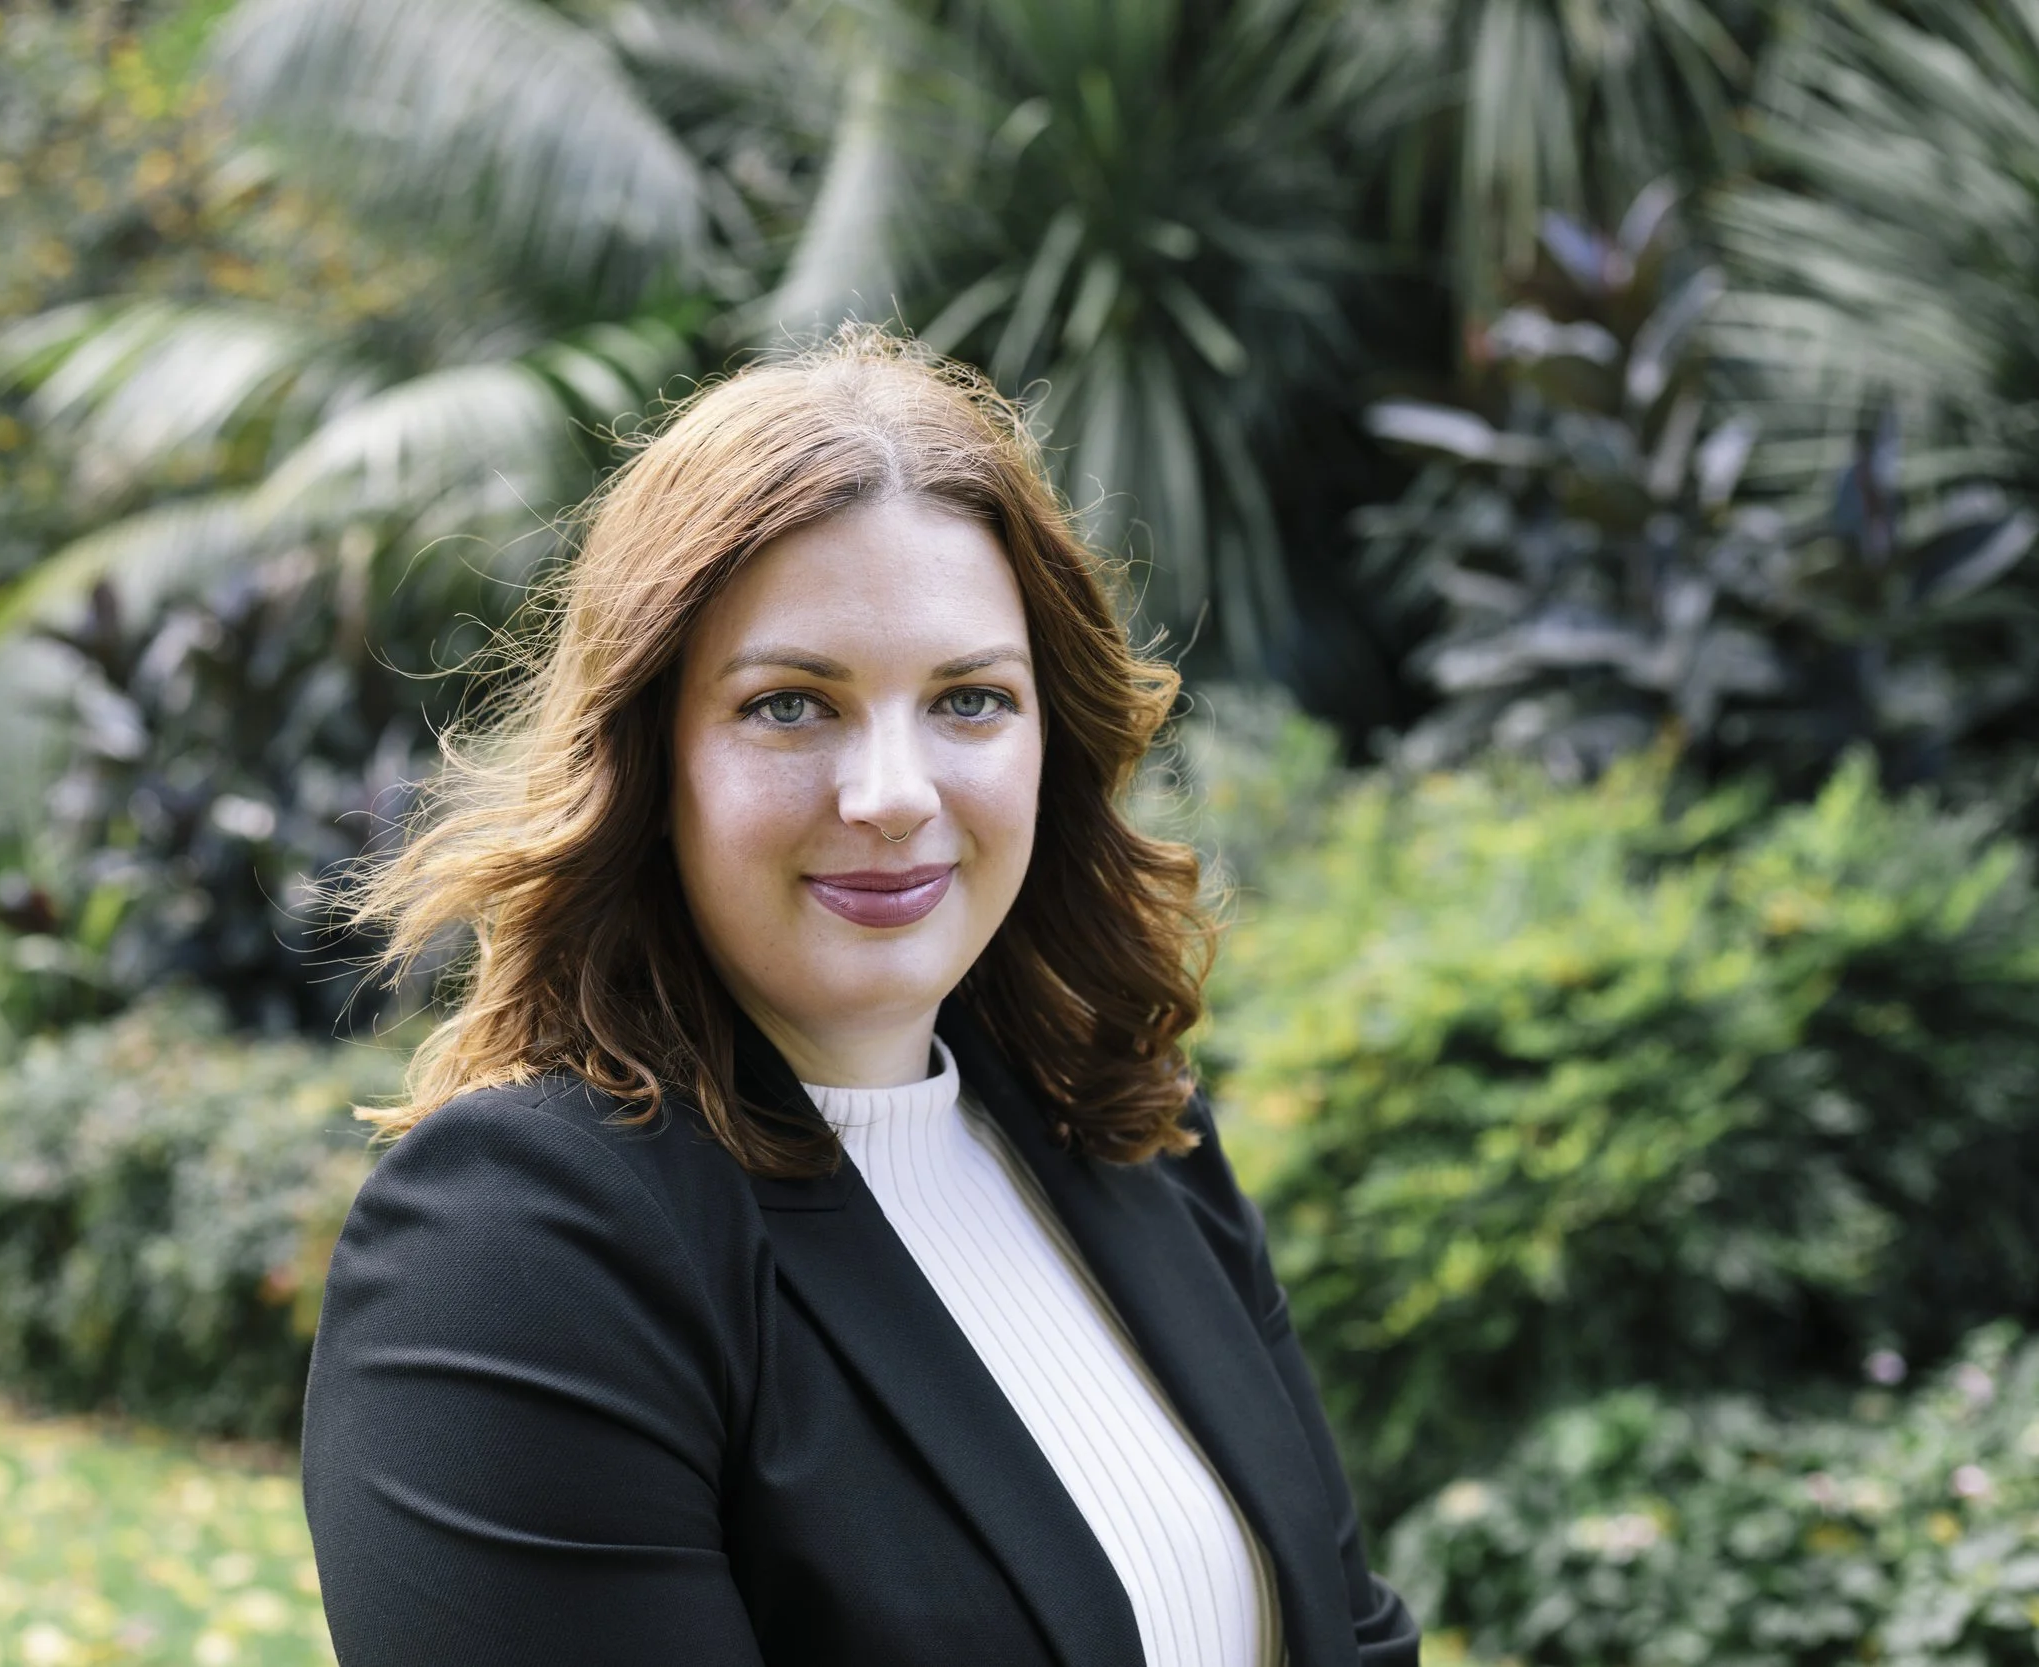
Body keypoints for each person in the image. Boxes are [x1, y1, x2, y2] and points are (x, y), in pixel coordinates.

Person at [302, 327, 1419, 1667]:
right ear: (650, 756)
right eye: (791, 705)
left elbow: (1351, 1636)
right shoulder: (514, 1247)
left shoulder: (1136, 1139)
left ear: (1051, 740)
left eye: (970, 699)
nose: (894, 793)